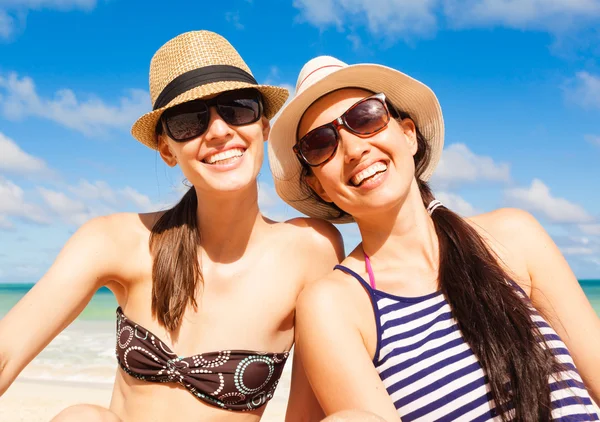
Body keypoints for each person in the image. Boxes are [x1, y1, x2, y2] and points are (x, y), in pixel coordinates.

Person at [0, 32, 344, 421]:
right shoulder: (116, 240)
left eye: (237, 109)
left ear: (263, 125)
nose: (218, 131)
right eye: (188, 122)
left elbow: (308, 411)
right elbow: (7, 350)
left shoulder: (311, 249)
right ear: (167, 149)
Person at [269, 55, 600, 421]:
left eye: (366, 118)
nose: (353, 149)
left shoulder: (513, 236)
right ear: (319, 187)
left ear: (408, 134)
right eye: (320, 144)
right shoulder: (337, 305)